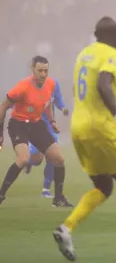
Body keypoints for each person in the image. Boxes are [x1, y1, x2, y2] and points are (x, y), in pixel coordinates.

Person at [52, 16, 116, 262]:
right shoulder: (113, 55)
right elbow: (104, 84)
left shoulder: (83, 54)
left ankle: (66, 228)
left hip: (78, 127)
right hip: (100, 127)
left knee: (104, 186)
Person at [0, 56, 72, 207]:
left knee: (59, 159)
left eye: (46, 70)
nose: (43, 74)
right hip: (18, 124)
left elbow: (47, 104)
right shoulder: (22, 87)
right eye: (40, 70)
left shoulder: (50, 84)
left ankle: (58, 199)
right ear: (33, 69)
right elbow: (3, 107)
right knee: (23, 159)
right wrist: (0, 133)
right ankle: (1, 194)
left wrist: (52, 122)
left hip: (36, 124)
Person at [25, 79, 69, 198]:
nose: (43, 74)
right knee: (37, 159)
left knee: (53, 157)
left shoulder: (54, 84)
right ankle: (28, 161)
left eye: (45, 70)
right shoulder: (28, 85)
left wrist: (63, 108)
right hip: (35, 126)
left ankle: (46, 189)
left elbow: (58, 98)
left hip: (49, 127)